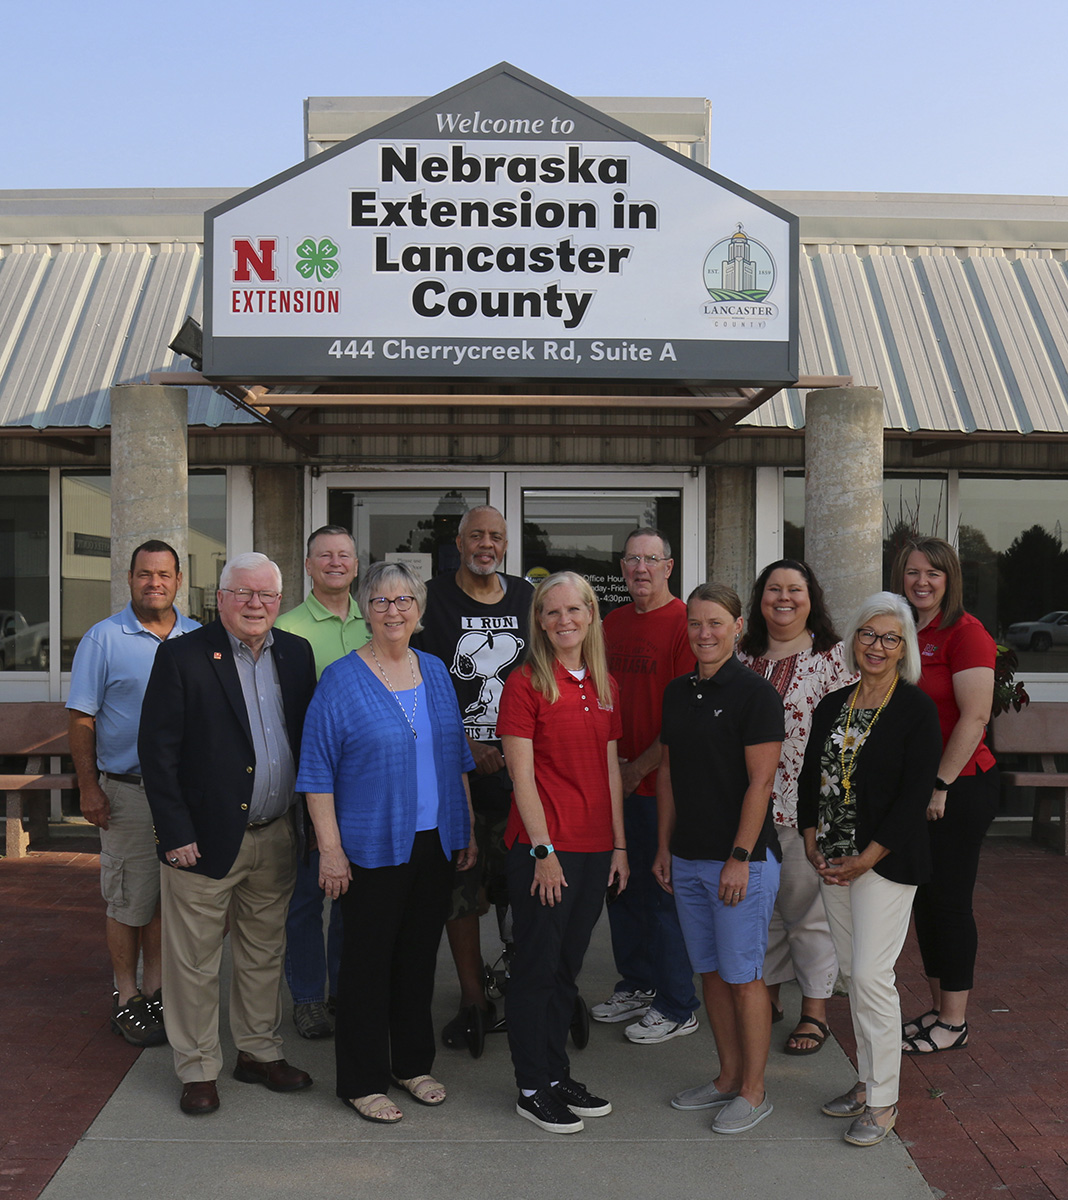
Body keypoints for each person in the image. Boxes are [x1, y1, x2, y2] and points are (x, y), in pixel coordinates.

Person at [296, 560, 477, 1124]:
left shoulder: (435, 670)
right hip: (370, 848)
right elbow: (317, 773)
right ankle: (362, 1080)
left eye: (404, 601)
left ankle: (411, 1064)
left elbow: (456, 757)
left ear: (419, 611)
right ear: (366, 611)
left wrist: (465, 826)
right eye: (380, 601)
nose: (393, 611)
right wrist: (330, 851)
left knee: (418, 961)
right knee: (366, 967)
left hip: (434, 842)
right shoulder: (341, 679)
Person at [138, 552, 317, 1116]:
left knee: (263, 952)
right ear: (221, 598)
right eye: (243, 593)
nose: (255, 604)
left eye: (266, 594)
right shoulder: (182, 656)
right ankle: (197, 1068)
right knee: (193, 961)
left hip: (276, 832)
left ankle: (258, 1053)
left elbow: (306, 739)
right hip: (202, 839)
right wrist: (174, 831)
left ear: (280, 601)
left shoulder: (296, 653)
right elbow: (156, 752)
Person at [798, 592, 942, 1147]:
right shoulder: (834, 702)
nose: (876, 646)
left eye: (889, 638)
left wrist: (868, 857)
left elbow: (913, 795)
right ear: (853, 639)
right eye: (868, 634)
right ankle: (865, 1082)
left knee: (872, 977)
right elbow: (811, 775)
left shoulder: (915, 709)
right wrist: (810, 837)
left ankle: (883, 1101)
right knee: (852, 973)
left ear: (904, 648)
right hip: (833, 857)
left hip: (884, 861)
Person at [498, 571, 629, 1135]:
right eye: (552, 612)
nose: (564, 620)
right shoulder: (525, 683)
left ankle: (555, 1075)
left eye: (574, 609)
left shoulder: (605, 684)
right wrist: (542, 850)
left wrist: (619, 844)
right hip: (545, 850)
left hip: (595, 848)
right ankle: (532, 1087)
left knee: (566, 971)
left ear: (591, 614)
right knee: (536, 969)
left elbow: (610, 771)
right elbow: (521, 776)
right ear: (539, 622)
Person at [656, 583, 784, 1135]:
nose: (704, 633)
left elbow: (761, 783)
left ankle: (754, 1092)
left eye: (715, 623)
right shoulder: (676, 692)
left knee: (743, 975)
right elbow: (668, 773)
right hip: (687, 859)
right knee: (709, 972)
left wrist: (739, 856)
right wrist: (664, 847)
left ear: (737, 627)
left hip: (740, 863)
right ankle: (728, 1076)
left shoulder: (756, 694)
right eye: (695, 623)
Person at [67, 540, 200, 1048]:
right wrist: (89, 787)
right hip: (128, 792)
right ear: (129, 578)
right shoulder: (103, 639)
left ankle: (157, 990)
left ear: (179, 580)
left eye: (164, 574)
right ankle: (126, 996)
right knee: (128, 899)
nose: (154, 583)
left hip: (184, 797)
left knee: (165, 898)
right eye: (145, 574)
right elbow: (82, 718)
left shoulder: (197, 637)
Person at [413, 505, 533, 1049]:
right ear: (459, 543)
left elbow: (547, 678)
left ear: (505, 545)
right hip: (452, 782)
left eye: (496, 537)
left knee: (524, 892)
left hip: (521, 783)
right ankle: (472, 999)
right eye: (477, 535)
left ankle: (524, 986)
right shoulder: (430, 601)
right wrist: (467, 746)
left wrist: (519, 749)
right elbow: (414, 684)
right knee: (459, 894)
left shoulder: (527, 600)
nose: (487, 544)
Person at [738, 559, 854, 1055]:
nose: (783, 598)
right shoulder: (740, 656)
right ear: (759, 599)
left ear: (812, 599)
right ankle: (768, 998)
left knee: (808, 914)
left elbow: (849, 738)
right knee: (759, 912)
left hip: (804, 810)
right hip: (747, 809)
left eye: (794, 590)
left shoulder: (835, 659)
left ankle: (814, 1012)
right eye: (773, 589)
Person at [891, 536, 999, 1054]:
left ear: (950, 578)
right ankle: (937, 1011)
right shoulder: (904, 628)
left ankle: (954, 1023)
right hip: (918, 790)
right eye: (913, 572)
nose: (922, 582)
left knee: (950, 903)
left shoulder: (966, 633)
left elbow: (975, 718)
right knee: (927, 903)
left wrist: (940, 784)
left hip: (959, 786)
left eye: (933, 573)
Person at [593, 527, 699, 1044]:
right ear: (622, 567)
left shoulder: (684, 623)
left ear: (668, 567)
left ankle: (678, 1003)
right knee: (622, 888)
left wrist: (637, 769)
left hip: (662, 787)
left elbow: (685, 716)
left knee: (662, 895)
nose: (641, 568)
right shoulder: (610, 623)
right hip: (615, 785)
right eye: (632, 559)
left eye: (651, 560)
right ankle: (637, 984)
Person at [275, 524, 369, 1040]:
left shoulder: (375, 620)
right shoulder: (285, 628)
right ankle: (309, 998)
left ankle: (344, 991)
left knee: (355, 899)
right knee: (307, 899)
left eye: (344, 555)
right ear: (308, 566)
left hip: (365, 787)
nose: (335, 563)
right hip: (309, 784)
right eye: (324, 555)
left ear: (356, 565)